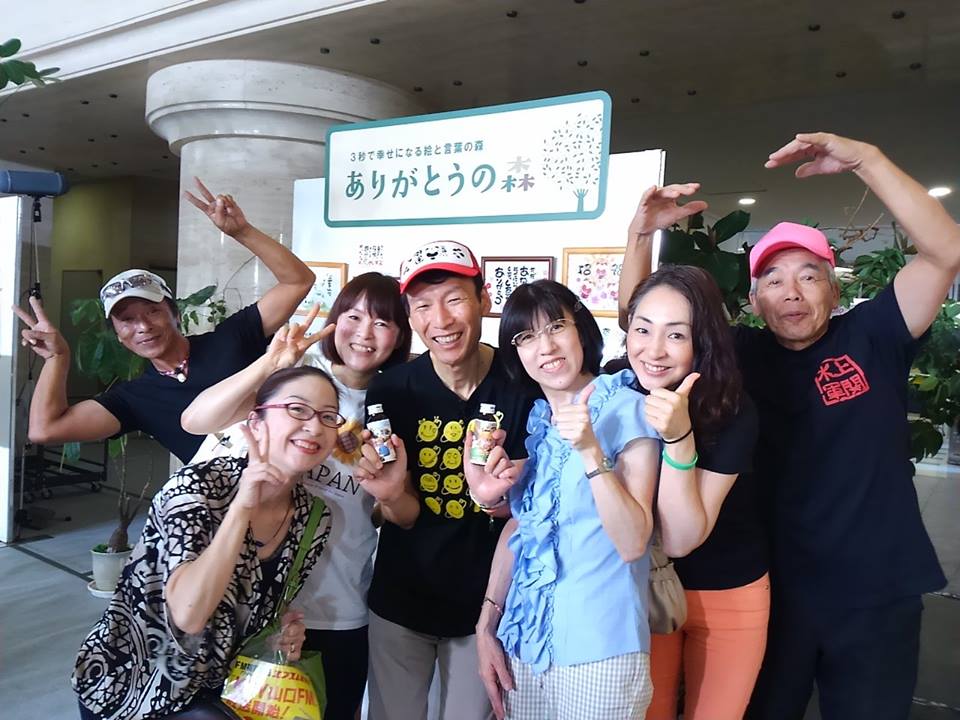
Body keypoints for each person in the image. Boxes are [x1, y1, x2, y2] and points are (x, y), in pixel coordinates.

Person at [618, 132, 956, 720]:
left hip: (874, 590)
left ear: (834, 286)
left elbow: (945, 252)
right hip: (777, 590)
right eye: (773, 279)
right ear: (754, 300)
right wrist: (640, 237)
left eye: (808, 275)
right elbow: (646, 325)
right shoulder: (740, 355)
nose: (791, 293)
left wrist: (868, 160)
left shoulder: (873, 336)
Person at [181, 272, 413, 720]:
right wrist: (270, 364)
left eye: (383, 323)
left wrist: (387, 494)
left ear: (400, 335)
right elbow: (196, 420)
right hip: (252, 604)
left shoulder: (397, 406)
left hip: (340, 607)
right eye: (353, 316)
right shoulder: (297, 381)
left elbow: (394, 514)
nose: (364, 333)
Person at [73, 365, 340, 719]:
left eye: (328, 416)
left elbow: (261, 606)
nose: (315, 427)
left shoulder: (313, 516)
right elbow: (188, 614)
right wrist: (242, 507)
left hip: (217, 693)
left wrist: (280, 633)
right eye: (297, 409)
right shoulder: (196, 487)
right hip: (129, 686)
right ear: (256, 423)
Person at [354, 240, 539, 720]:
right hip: (401, 597)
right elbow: (403, 514)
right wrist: (391, 495)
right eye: (422, 306)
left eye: (455, 299)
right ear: (411, 317)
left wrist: (499, 499)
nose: (440, 319)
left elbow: (534, 506)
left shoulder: (522, 384)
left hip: (488, 606)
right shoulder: (391, 389)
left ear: (484, 299)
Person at [14, 177, 316, 463]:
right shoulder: (135, 398)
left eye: (152, 311)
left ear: (175, 314)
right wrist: (57, 358)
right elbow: (44, 430)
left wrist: (242, 232)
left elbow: (297, 281)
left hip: (296, 477)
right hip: (229, 497)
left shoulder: (230, 338)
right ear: (118, 334)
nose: (143, 326)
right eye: (127, 319)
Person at [471, 279, 660, 719]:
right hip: (526, 647)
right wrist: (486, 625)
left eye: (556, 326)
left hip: (600, 650)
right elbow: (522, 527)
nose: (546, 347)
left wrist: (590, 449)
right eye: (526, 336)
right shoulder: (539, 423)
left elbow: (634, 542)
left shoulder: (627, 407)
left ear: (582, 331)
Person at [622, 261, 763, 720]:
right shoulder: (616, 389)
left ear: (703, 341)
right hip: (645, 588)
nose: (654, 350)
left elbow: (681, 538)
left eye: (677, 335)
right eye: (643, 329)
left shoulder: (733, 408)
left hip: (729, 591)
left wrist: (679, 437)